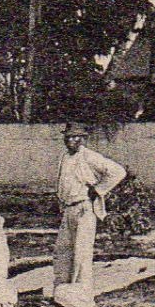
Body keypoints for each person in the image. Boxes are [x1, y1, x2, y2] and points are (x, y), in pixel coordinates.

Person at [53, 123, 127, 293]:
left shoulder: (89, 156)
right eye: (69, 136)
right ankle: (63, 290)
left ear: (83, 139)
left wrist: (98, 189)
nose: (72, 140)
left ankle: (81, 292)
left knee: (81, 253)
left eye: (76, 136)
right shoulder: (65, 157)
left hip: (84, 208)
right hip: (68, 209)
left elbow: (118, 172)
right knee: (63, 251)